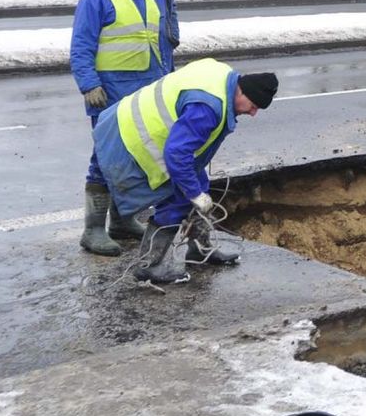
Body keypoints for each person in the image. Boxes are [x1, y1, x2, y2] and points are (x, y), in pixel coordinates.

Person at [92, 58, 278, 284]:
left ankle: (199, 249)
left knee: (200, 185)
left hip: (128, 120)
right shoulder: (208, 108)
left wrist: (198, 191)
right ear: (241, 92)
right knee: (179, 198)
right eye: (253, 105)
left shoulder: (222, 74)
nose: (253, 113)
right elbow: (177, 154)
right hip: (130, 138)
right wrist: (193, 194)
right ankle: (149, 265)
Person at [71, 0, 169, 256]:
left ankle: (122, 221)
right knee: (104, 159)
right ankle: (93, 230)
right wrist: (89, 84)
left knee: (135, 157)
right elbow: (81, 45)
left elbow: (156, 45)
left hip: (144, 92)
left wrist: (163, 85)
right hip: (109, 93)